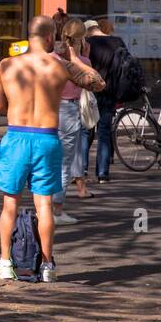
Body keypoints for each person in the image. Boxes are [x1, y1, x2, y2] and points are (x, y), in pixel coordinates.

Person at [0, 15, 105, 283]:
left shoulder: (6, 65)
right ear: (50, 36)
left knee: (10, 205)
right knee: (44, 206)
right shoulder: (61, 66)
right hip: (47, 138)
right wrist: (75, 58)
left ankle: (5, 263)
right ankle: (47, 265)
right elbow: (99, 84)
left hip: (16, 137)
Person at [52, 19, 91, 223]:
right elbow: (96, 82)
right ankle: (57, 210)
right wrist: (83, 56)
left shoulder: (51, 58)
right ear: (81, 39)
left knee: (46, 159)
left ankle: (43, 205)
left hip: (48, 109)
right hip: (68, 109)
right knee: (65, 162)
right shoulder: (82, 62)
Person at [85, 17, 129, 183]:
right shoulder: (117, 42)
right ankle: (102, 173)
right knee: (104, 132)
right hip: (110, 92)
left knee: (86, 131)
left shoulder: (88, 43)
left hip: (90, 92)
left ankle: (82, 171)